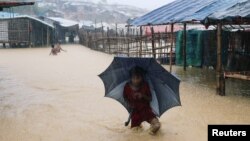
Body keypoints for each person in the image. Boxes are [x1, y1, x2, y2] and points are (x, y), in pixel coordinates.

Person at [123, 66, 161, 134]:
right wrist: (129, 104)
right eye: (133, 78)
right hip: (135, 112)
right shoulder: (127, 86)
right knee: (134, 132)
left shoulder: (145, 85)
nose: (135, 80)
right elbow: (125, 97)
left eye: (138, 78)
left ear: (142, 77)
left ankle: (150, 135)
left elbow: (150, 99)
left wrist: (142, 95)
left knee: (157, 125)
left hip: (146, 110)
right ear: (130, 78)